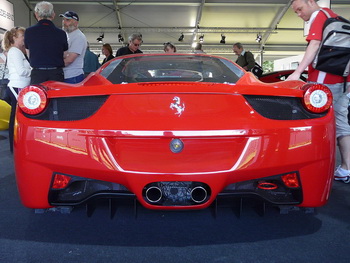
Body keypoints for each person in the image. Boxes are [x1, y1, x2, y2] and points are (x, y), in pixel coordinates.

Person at [287, 0, 350, 183]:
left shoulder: (320, 16)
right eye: (296, 12)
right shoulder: (335, 17)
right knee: (341, 122)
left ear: (311, 2)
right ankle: (346, 168)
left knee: (314, 123)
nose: (299, 14)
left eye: (300, 9)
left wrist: (297, 72)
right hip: (343, 80)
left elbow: (314, 45)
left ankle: (314, 169)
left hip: (323, 82)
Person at [2, 27, 31, 153]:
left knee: (16, 118)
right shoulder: (15, 51)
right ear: (14, 38)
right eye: (22, 36)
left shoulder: (17, 51)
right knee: (16, 119)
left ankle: (14, 146)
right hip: (17, 87)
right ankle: (14, 147)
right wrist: (33, 70)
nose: (24, 38)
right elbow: (22, 71)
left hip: (18, 86)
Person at [24, 1, 68, 84]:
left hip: (37, 74)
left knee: (38, 96)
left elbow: (28, 53)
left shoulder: (29, 32)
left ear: (36, 14)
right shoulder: (61, 33)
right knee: (57, 96)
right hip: (56, 73)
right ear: (53, 15)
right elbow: (65, 54)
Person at [60, 11, 87, 84]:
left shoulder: (78, 37)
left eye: (67, 20)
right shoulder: (67, 35)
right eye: (63, 19)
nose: (64, 22)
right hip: (68, 75)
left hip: (72, 76)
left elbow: (69, 59)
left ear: (76, 23)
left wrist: (54, 65)